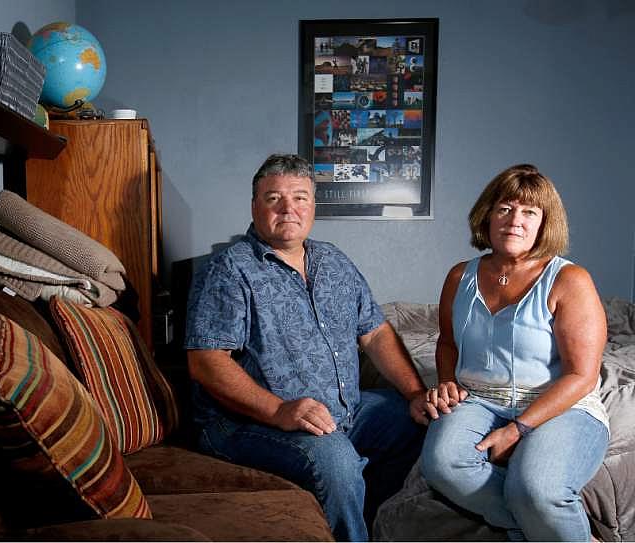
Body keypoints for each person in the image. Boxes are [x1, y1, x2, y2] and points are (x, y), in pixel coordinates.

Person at [184, 153, 436, 541]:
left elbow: (376, 333)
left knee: (418, 420)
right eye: (273, 198)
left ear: (313, 206)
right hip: (250, 423)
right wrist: (279, 409)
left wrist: (416, 392)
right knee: (336, 462)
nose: (288, 208)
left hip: (343, 413)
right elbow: (206, 362)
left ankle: (368, 523)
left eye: (300, 197)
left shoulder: (333, 261)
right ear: (254, 206)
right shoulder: (230, 270)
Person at [420, 164, 609, 541]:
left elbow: (582, 376)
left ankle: (540, 511)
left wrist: (517, 430)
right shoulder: (460, 276)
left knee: (537, 489)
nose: (514, 221)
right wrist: (445, 381)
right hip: (479, 399)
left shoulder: (570, 279)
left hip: (561, 404)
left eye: (529, 212)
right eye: (505, 208)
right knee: (442, 464)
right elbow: (447, 343)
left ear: (544, 223)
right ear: (487, 215)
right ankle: (547, 529)